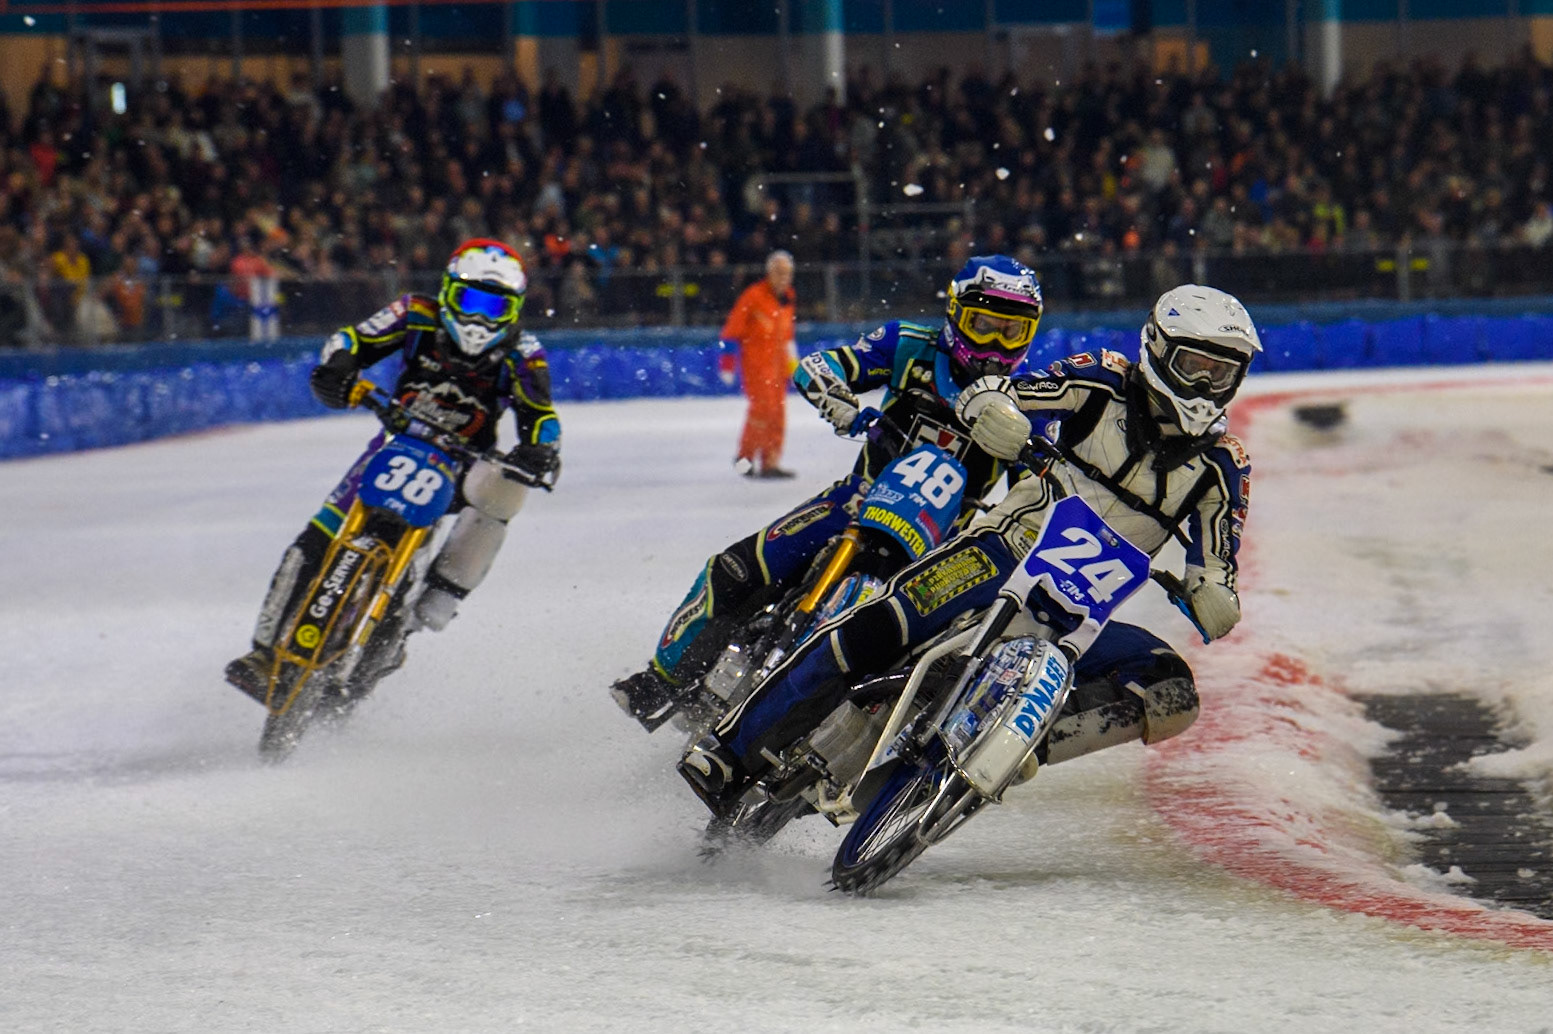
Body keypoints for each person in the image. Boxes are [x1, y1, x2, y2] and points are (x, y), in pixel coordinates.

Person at [679, 284, 1258, 809]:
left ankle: (1019, 747)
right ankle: (729, 754)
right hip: (1005, 550)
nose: (1205, 386)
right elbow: (1012, 393)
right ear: (1157, 349)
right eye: (1194, 366)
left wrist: (1214, 593)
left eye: (1221, 373)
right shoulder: (1100, 380)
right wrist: (996, 410)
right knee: (881, 625)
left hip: (1084, 609)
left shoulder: (1224, 465)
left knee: (1172, 689)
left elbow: (1219, 558)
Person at [611, 255, 1046, 731]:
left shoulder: (1029, 399)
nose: (994, 344)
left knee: (939, 662)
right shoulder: (906, 345)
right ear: (956, 315)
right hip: (858, 500)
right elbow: (819, 366)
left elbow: (1043, 488)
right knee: (736, 571)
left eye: (1011, 332)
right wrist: (839, 404)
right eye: (983, 325)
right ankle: (663, 681)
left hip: (940, 545)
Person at [225, 239, 561, 697]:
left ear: (515, 309)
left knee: (505, 494)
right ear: (448, 291)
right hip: (396, 440)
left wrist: (540, 451)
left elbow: (540, 414)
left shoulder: (525, 351)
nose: (481, 318)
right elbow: (354, 339)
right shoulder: (414, 312)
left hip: (466, 463)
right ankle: (264, 654)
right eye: (471, 301)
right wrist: (339, 368)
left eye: (495, 306)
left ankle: (443, 592)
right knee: (319, 534)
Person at [721, 250, 798, 478]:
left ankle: (770, 463)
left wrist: (794, 366)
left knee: (777, 414)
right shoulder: (753, 296)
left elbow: (787, 336)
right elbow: (731, 331)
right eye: (779, 273)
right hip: (757, 367)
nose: (784, 278)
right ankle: (744, 459)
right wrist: (727, 363)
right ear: (769, 273)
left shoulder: (788, 298)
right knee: (761, 412)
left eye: (787, 274)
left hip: (778, 368)